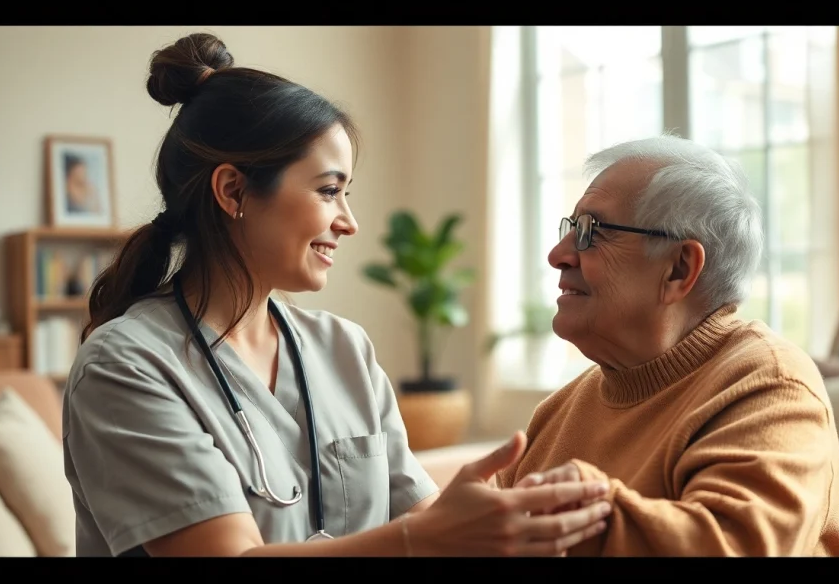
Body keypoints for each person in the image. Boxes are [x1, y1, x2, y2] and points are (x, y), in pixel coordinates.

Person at [61, 32, 612, 558]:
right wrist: (426, 538)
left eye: (346, 193)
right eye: (329, 191)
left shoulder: (345, 349)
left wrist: (499, 526)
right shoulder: (125, 366)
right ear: (233, 191)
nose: (348, 221)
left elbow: (427, 521)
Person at [495, 135, 839, 557]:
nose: (558, 255)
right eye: (570, 229)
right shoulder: (558, 413)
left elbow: (736, 547)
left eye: (591, 231)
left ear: (679, 269)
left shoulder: (771, 385)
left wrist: (584, 511)